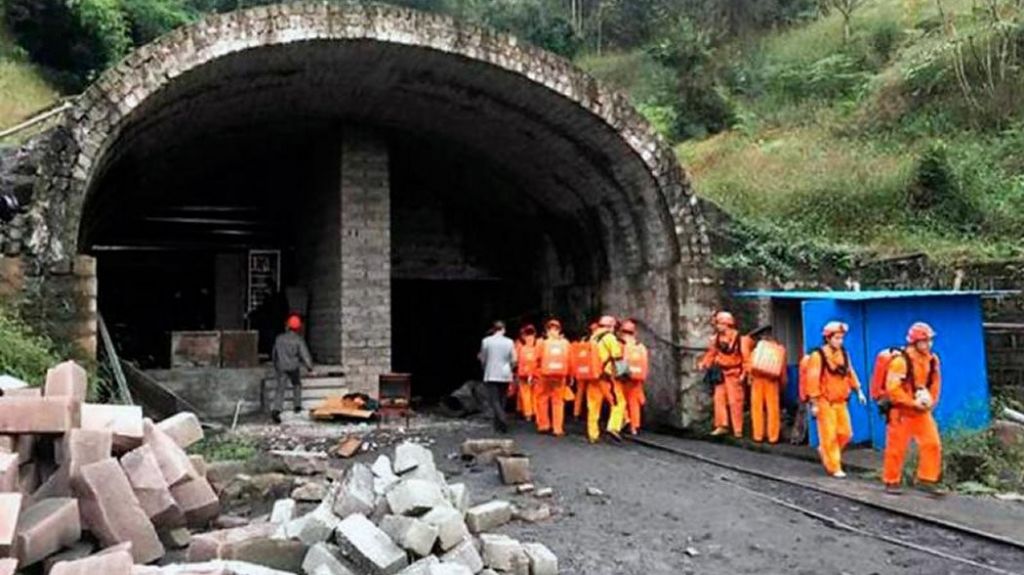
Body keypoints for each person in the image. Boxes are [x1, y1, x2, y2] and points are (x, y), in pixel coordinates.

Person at [881, 322, 944, 496]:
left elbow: (935, 384)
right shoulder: (901, 362)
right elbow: (893, 389)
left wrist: (930, 402)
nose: (929, 344)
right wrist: (912, 403)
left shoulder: (932, 360)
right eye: (925, 340)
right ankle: (891, 481)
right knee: (896, 448)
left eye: (930, 340)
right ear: (914, 342)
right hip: (901, 412)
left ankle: (927, 480)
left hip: (921, 412)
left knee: (932, 444)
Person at [804, 321, 867, 478]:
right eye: (837, 338)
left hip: (841, 402)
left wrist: (859, 390)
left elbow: (850, 372)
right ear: (828, 338)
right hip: (826, 402)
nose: (840, 341)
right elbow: (812, 380)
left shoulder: (844, 354)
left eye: (841, 338)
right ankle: (834, 467)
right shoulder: (818, 356)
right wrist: (814, 403)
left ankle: (825, 451)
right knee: (829, 436)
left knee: (846, 433)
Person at [698, 311, 746, 437]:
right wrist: (704, 363)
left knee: (735, 402)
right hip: (721, 374)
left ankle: (738, 430)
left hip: (734, 373)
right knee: (719, 400)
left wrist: (745, 374)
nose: (717, 326)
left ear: (727, 324)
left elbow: (746, 359)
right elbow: (711, 353)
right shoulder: (717, 339)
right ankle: (721, 426)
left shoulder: (740, 339)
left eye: (719, 324)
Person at [271, 314, 314, 423]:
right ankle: (297, 406)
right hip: (293, 367)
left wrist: (275, 365)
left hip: (281, 366)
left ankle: (276, 409)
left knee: (280, 388)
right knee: (297, 385)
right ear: (298, 328)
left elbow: (274, 354)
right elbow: (304, 355)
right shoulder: (298, 340)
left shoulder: (279, 338)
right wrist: (310, 367)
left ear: (287, 326)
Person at [747, 326, 786, 444]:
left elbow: (750, 366)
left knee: (757, 409)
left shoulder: (756, 350)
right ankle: (773, 437)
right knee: (773, 409)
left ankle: (758, 436)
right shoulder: (779, 350)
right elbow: (782, 371)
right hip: (772, 381)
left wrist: (750, 379)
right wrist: (782, 384)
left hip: (757, 381)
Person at [478, 321, 517, 433]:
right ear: (503, 329)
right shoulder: (509, 342)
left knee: (494, 399)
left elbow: (483, 357)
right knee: (502, 399)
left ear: (494, 329)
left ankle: (502, 418)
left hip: (491, 372)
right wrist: (510, 367)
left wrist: (484, 366)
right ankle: (499, 426)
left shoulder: (486, 341)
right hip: (505, 372)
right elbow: (514, 359)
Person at [594, 315, 627, 441]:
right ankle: (613, 427)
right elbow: (616, 354)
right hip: (607, 375)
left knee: (594, 405)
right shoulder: (609, 338)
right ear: (611, 326)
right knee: (619, 402)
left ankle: (593, 434)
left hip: (595, 375)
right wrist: (624, 371)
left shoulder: (593, 337)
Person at [535, 319, 571, 436]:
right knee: (558, 402)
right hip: (560, 376)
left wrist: (534, 374)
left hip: (543, 375)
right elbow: (569, 361)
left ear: (546, 330)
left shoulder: (541, 342)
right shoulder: (565, 343)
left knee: (542, 399)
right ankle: (557, 429)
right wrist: (570, 375)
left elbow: (537, 359)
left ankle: (543, 425)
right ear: (559, 330)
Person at [619, 319, 649, 436]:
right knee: (634, 402)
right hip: (637, 377)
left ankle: (625, 419)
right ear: (634, 332)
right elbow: (645, 362)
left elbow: (618, 360)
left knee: (620, 401)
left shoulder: (620, 344)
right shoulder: (640, 346)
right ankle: (634, 427)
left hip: (624, 377)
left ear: (621, 332)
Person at [513, 325, 539, 422]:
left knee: (525, 394)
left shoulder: (520, 345)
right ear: (535, 333)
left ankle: (528, 414)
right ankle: (536, 413)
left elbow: (515, 360)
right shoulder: (538, 345)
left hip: (523, 373)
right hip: (535, 373)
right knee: (535, 394)